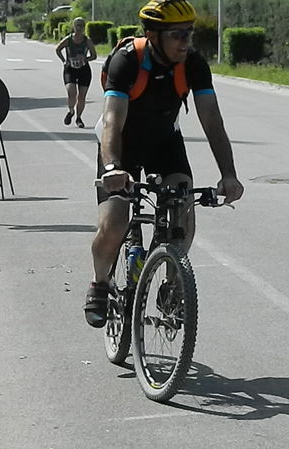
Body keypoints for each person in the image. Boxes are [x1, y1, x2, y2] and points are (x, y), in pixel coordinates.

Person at [84, 0, 244, 328]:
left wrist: (229, 175)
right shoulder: (126, 61)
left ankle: (172, 283)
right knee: (114, 222)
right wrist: (113, 168)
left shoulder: (193, 63)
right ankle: (99, 284)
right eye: (177, 34)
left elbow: (212, 121)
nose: (185, 41)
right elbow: (113, 122)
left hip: (164, 142)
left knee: (184, 203)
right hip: (121, 145)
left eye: (189, 33)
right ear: (153, 35)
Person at [55, 17, 97, 128]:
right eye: (77, 25)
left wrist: (85, 59)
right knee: (71, 92)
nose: (79, 28)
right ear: (73, 26)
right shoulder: (68, 39)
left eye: (81, 26)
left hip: (84, 70)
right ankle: (71, 111)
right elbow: (58, 49)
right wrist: (64, 61)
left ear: (84, 28)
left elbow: (94, 55)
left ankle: (79, 118)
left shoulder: (87, 40)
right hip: (70, 69)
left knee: (82, 96)